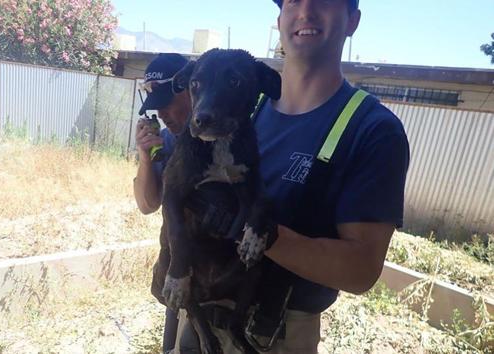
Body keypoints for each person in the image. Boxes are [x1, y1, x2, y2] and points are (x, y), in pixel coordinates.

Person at [172, 0, 410, 353]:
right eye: (293, 1)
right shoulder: (240, 107)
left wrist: (248, 228)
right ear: (280, 18)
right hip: (197, 323)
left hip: (272, 335)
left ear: (352, 21)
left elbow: (361, 271)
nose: (306, 11)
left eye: (325, 1)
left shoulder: (373, 129)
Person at [132, 53, 199, 353]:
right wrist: (146, 157)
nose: (161, 114)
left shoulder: (223, 136)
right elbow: (147, 204)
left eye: (166, 103)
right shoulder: (169, 140)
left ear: (191, 89)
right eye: (155, 107)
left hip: (216, 278)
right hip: (176, 271)